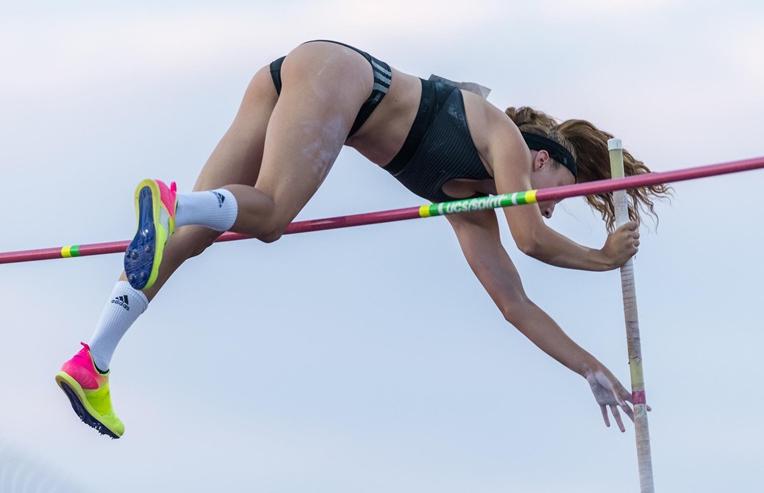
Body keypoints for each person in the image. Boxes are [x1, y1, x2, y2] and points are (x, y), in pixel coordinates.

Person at [55, 40, 667, 439]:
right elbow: (531, 241)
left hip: (295, 75)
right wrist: (603, 260)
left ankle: (94, 361)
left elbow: (514, 303)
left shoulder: (468, 205)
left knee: (188, 239)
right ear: (541, 159)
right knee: (268, 218)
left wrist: (588, 366)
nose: (552, 209)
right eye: (560, 191)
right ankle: (171, 202)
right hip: (340, 76)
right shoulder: (503, 134)